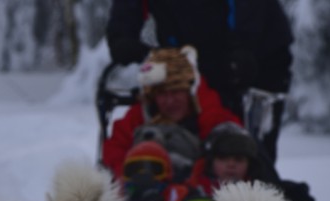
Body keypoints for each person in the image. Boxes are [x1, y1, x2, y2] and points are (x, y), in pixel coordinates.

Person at [105, 0, 293, 164]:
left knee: (241, 138)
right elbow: (128, 7)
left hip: (258, 50)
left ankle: (254, 186)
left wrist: (243, 45)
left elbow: (249, 7)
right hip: (188, 48)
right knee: (174, 113)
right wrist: (121, 37)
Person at [102, 45, 241, 183]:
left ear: (190, 91)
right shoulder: (139, 117)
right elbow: (114, 152)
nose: (170, 101)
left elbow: (237, 149)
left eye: (176, 92)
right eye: (162, 94)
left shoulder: (211, 115)